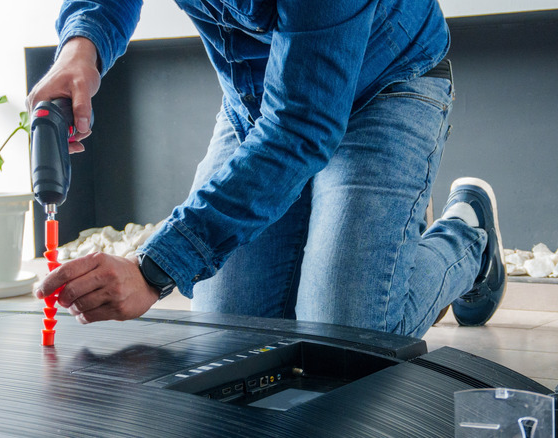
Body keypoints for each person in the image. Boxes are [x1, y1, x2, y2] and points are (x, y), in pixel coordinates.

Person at [29, 0, 506, 339]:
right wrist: (80, 50)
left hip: (384, 88)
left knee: (344, 337)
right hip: (258, 105)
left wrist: (153, 269)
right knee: (227, 335)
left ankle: (468, 239)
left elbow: (302, 126)